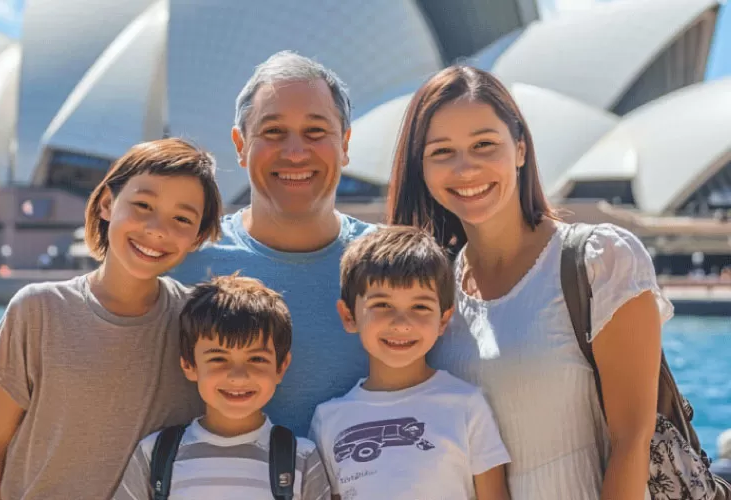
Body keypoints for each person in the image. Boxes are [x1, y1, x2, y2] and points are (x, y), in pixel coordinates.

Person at [387, 65, 672, 499]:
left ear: (520, 149)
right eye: (441, 152)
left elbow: (632, 441)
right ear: (420, 169)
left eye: (484, 144)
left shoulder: (599, 261)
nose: (466, 169)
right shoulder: (429, 292)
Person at [0, 138, 223, 500]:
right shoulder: (38, 310)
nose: (157, 229)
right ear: (107, 203)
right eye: (143, 205)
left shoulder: (198, 325)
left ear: (198, 237)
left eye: (181, 218)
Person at [174, 51, 374, 437]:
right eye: (273, 132)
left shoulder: (391, 267)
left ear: (346, 143)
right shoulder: (186, 262)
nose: (296, 152)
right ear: (240, 144)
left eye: (316, 132)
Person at [310, 225, 511, 500]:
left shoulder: (466, 405)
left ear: (443, 319)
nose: (402, 323)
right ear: (349, 317)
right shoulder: (328, 420)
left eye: (420, 307)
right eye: (382, 305)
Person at [114, 274, 331, 499]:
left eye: (256, 359)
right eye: (218, 359)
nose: (238, 377)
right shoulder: (156, 454)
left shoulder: (302, 459)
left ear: (281, 367)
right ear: (189, 365)